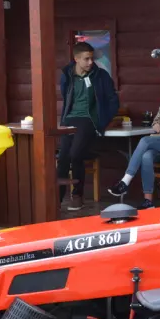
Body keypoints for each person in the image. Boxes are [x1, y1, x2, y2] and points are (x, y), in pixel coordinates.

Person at [57, 41, 119, 211]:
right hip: (69, 119)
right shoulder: (67, 74)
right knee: (63, 158)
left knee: (75, 154)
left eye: (92, 58)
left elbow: (113, 100)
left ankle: (77, 196)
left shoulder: (100, 76)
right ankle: (57, 198)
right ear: (76, 59)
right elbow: (66, 96)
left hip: (88, 119)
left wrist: (103, 120)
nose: (90, 62)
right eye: (86, 59)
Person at [107, 100, 160, 208]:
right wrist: (156, 124)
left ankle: (125, 182)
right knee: (146, 156)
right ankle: (148, 202)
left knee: (145, 141)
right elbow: (157, 120)